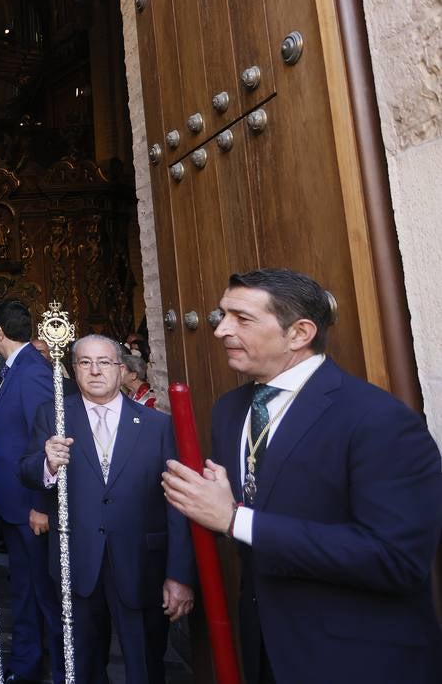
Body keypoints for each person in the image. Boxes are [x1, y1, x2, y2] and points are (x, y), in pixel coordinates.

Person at [162, 268, 442, 683]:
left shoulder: (377, 419)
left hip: (356, 657)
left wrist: (235, 519)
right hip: (265, 649)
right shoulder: (229, 410)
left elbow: (395, 559)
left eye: (242, 318)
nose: (221, 330)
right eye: (222, 315)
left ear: (299, 333)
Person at [22, 335, 194, 684]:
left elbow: (176, 504)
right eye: (85, 362)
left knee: (144, 663)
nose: (95, 370)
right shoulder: (53, 416)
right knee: (84, 662)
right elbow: (26, 471)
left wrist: (179, 574)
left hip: (141, 563)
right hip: (78, 562)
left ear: (121, 368)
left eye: (104, 362)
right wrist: (48, 464)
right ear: (74, 369)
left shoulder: (156, 425)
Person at [0, 299, 58, 683]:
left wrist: (40, 505)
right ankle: (26, 668)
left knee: (41, 594)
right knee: (26, 591)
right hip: (15, 504)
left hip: (29, 506)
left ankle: (60, 670)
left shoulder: (31, 372)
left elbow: (45, 437)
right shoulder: (14, 369)